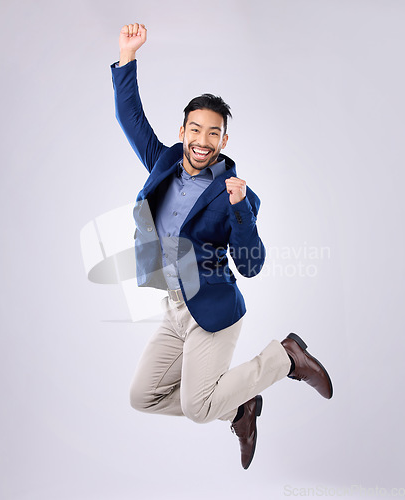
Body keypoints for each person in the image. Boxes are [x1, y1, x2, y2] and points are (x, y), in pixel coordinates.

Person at [110, 22, 333, 470]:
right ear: (184, 130)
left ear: (224, 140)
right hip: (174, 308)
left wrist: (239, 210)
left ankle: (284, 358)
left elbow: (252, 265)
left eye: (213, 133)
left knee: (196, 408)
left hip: (213, 311)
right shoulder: (164, 163)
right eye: (196, 130)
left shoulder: (237, 193)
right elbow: (131, 119)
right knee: (142, 396)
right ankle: (239, 408)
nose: (202, 141)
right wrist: (128, 57)